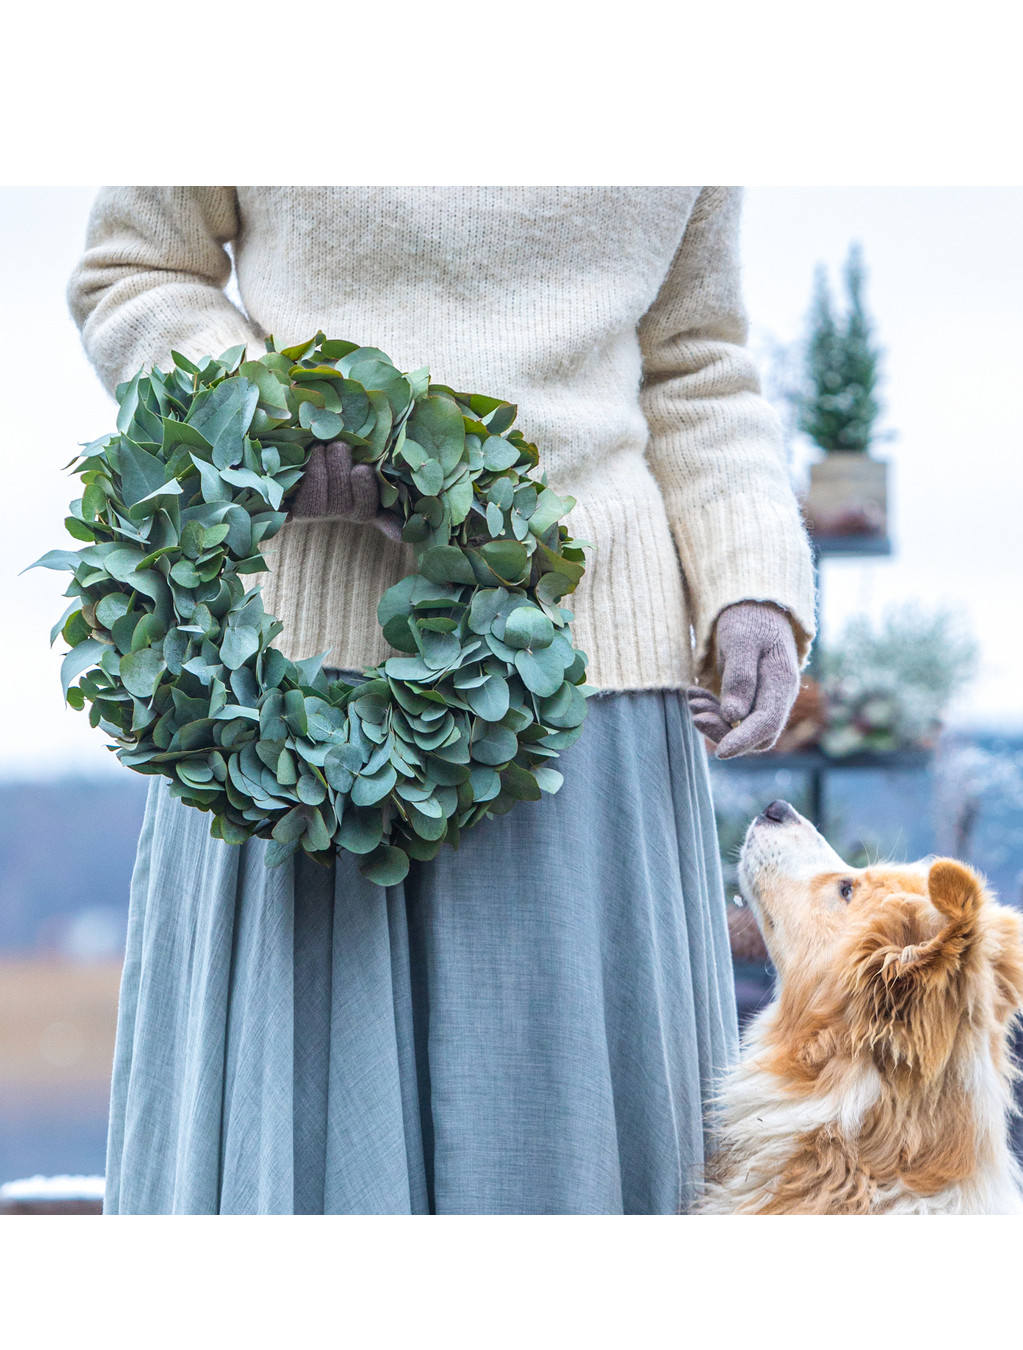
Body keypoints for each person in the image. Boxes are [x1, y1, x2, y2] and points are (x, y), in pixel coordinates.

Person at [67, 186, 816, 1214]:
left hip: (592, 692)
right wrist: (270, 413)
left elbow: (695, 357)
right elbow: (137, 270)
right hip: (298, 702)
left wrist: (751, 578)